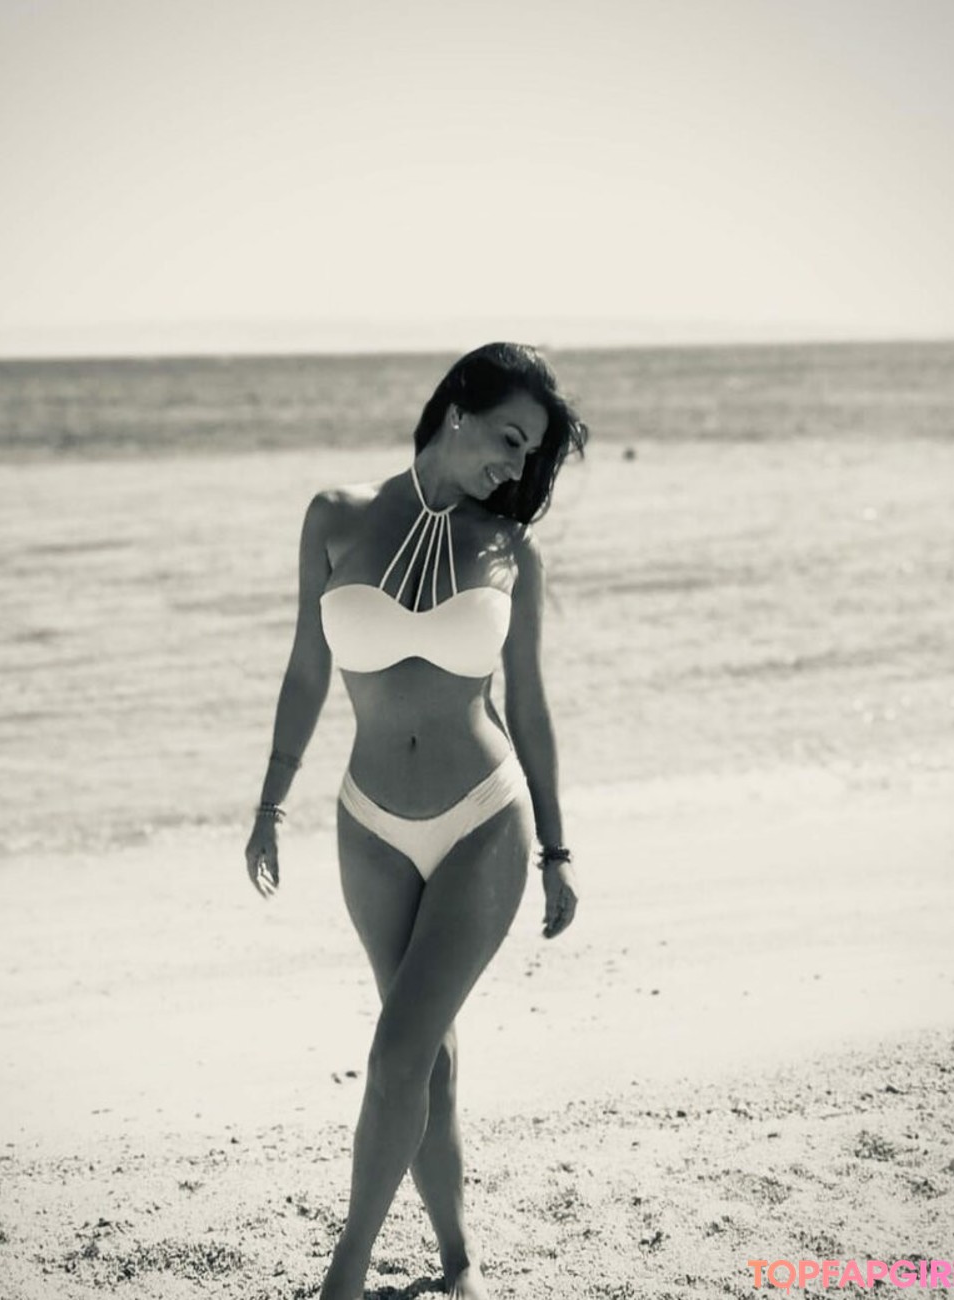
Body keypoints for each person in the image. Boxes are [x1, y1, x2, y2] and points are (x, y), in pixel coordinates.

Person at [243, 341, 587, 1300]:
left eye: (531, 456)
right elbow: (306, 671)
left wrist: (557, 848)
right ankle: (458, 1257)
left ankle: (346, 1275)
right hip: (368, 827)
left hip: (484, 823)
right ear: (458, 410)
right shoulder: (334, 516)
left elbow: (531, 709)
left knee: (397, 1052)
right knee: (422, 1053)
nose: (516, 467)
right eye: (511, 439)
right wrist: (270, 800)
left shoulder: (511, 551)